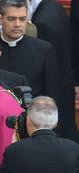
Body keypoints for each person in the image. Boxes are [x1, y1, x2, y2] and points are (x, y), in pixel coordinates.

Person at [0, 0, 76, 141]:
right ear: (0, 18)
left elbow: (53, 93)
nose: (17, 24)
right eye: (11, 19)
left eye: (22, 19)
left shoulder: (43, 50)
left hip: (32, 129)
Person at [29, 0, 79, 141]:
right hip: (65, 84)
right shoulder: (55, 7)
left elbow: (49, 67)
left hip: (53, 92)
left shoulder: (42, 23)